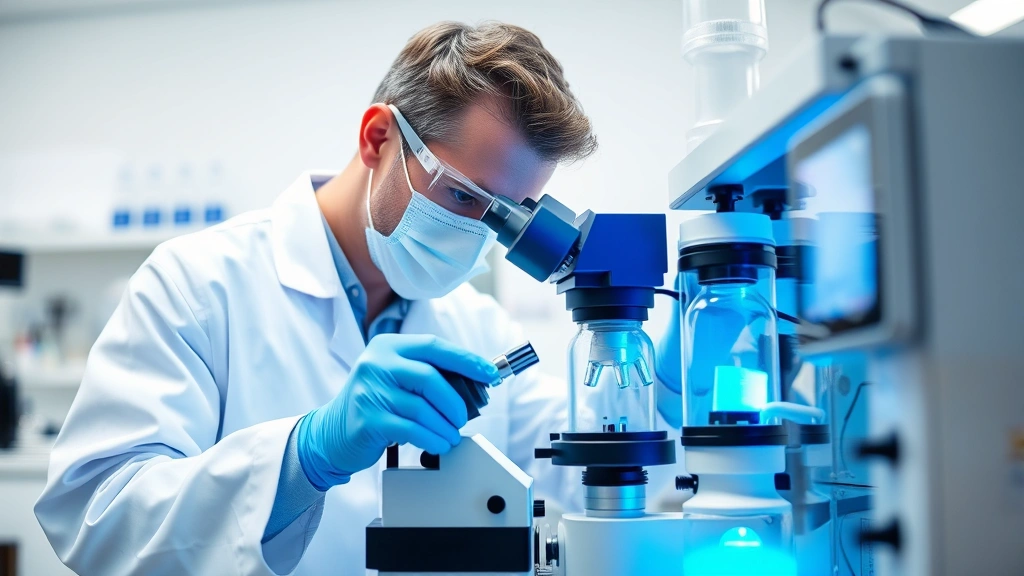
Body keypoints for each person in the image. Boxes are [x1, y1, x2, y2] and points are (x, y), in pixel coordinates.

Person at [34, 21, 682, 575]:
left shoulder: (478, 327)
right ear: (377, 139)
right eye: (462, 196)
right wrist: (306, 454)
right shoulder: (199, 286)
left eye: (506, 217)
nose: (476, 234)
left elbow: (590, 476)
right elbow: (96, 518)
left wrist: (678, 377)